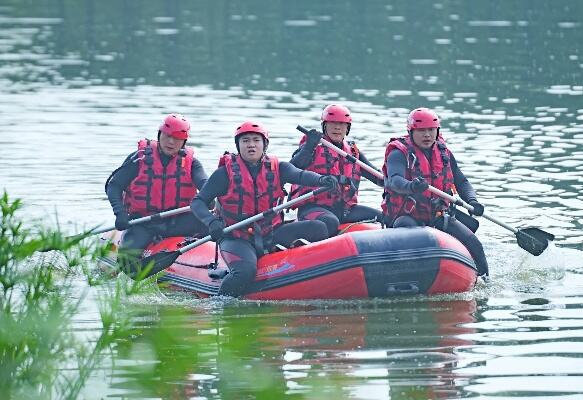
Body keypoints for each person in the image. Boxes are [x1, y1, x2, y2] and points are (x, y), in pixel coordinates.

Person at [191, 121, 337, 297]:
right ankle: (220, 307)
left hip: (271, 232)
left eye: (255, 140)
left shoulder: (278, 168)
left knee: (319, 228)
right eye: (245, 141)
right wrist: (211, 221)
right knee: (244, 272)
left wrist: (322, 180)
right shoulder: (224, 174)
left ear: (264, 145)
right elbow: (198, 202)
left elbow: (300, 175)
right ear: (238, 146)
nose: (251, 144)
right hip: (237, 237)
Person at [381, 107, 489, 277]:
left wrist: (472, 201)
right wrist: (412, 186)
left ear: (437, 131)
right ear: (411, 132)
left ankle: (484, 281)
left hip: (437, 214)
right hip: (406, 216)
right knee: (407, 232)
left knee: (473, 243)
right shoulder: (398, 153)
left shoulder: (443, 152)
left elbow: (461, 181)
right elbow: (394, 181)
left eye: (431, 130)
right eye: (421, 130)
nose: (427, 135)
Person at [105, 113, 210, 273]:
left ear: (184, 142)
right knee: (126, 262)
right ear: (159, 134)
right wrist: (120, 213)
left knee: (210, 223)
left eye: (177, 138)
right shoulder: (139, 159)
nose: (171, 142)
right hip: (145, 222)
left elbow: (206, 185)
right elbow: (114, 186)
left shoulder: (192, 164)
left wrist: (210, 199)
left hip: (178, 221)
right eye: (167, 136)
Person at [289, 104, 383, 237]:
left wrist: (396, 181)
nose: (337, 127)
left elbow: (377, 177)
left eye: (342, 124)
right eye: (332, 123)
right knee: (330, 222)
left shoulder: (352, 152)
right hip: (314, 207)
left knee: (382, 217)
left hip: (345, 210)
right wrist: (308, 147)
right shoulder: (312, 146)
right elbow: (292, 170)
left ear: (347, 128)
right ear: (324, 126)